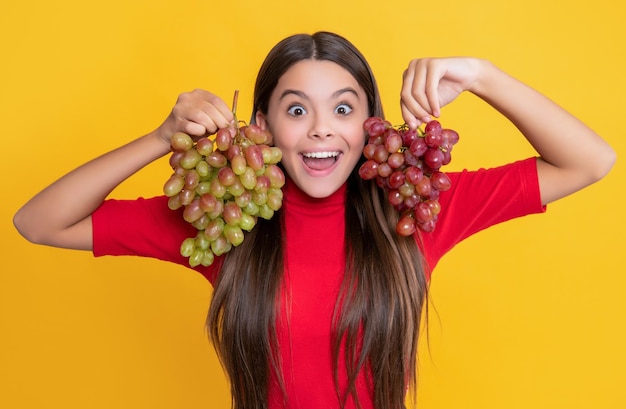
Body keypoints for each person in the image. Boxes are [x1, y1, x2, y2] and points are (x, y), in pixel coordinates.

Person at [13, 31, 615, 409]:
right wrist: (159, 138)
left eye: (343, 108)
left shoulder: (414, 211)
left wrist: (483, 75)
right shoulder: (227, 223)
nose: (322, 127)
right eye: (296, 109)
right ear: (265, 128)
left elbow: (591, 160)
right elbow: (38, 222)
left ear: (369, 127)